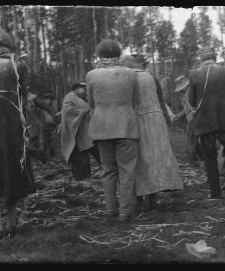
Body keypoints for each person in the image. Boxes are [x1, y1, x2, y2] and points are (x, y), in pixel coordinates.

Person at [0, 28, 34, 239]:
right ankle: (12, 224)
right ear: (8, 42)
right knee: (14, 172)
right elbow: (24, 97)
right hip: (13, 129)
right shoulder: (17, 64)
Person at [121, 55, 183, 212]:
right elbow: (161, 101)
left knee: (137, 160)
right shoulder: (151, 78)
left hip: (135, 122)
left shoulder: (125, 78)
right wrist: (166, 122)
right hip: (155, 120)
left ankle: (140, 199)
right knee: (154, 159)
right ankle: (152, 198)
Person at [86, 39, 139, 222]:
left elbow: (91, 103)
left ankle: (110, 210)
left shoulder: (92, 75)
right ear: (119, 54)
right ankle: (126, 212)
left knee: (108, 170)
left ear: (99, 56)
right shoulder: (131, 74)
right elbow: (135, 100)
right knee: (127, 171)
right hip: (126, 126)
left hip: (101, 128)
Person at [188, 47, 225, 200]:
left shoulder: (194, 74)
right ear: (215, 57)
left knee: (209, 157)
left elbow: (192, 101)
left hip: (204, 122)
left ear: (201, 59)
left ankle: (215, 193)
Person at [60, 82, 100, 181]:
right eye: (83, 89)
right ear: (76, 88)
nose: (85, 91)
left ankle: (86, 179)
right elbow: (68, 112)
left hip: (87, 133)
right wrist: (82, 112)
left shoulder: (81, 99)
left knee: (97, 154)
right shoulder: (69, 98)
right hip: (76, 134)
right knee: (81, 159)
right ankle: (81, 181)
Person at [171, 75, 203, 167]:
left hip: (193, 120)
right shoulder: (190, 93)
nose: (181, 91)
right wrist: (177, 116)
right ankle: (201, 159)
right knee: (196, 141)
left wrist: (177, 116)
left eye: (182, 89)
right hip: (195, 119)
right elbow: (187, 110)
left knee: (191, 141)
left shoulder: (188, 95)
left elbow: (189, 109)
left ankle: (193, 162)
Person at [40, 93, 56, 158]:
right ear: (43, 100)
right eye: (46, 99)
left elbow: (54, 117)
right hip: (44, 127)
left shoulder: (52, 108)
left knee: (52, 143)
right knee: (44, 143)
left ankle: (52, 157)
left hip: (52, 127)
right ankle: (44, 158)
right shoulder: (41, 108)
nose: (48, 100)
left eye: (49, 99)